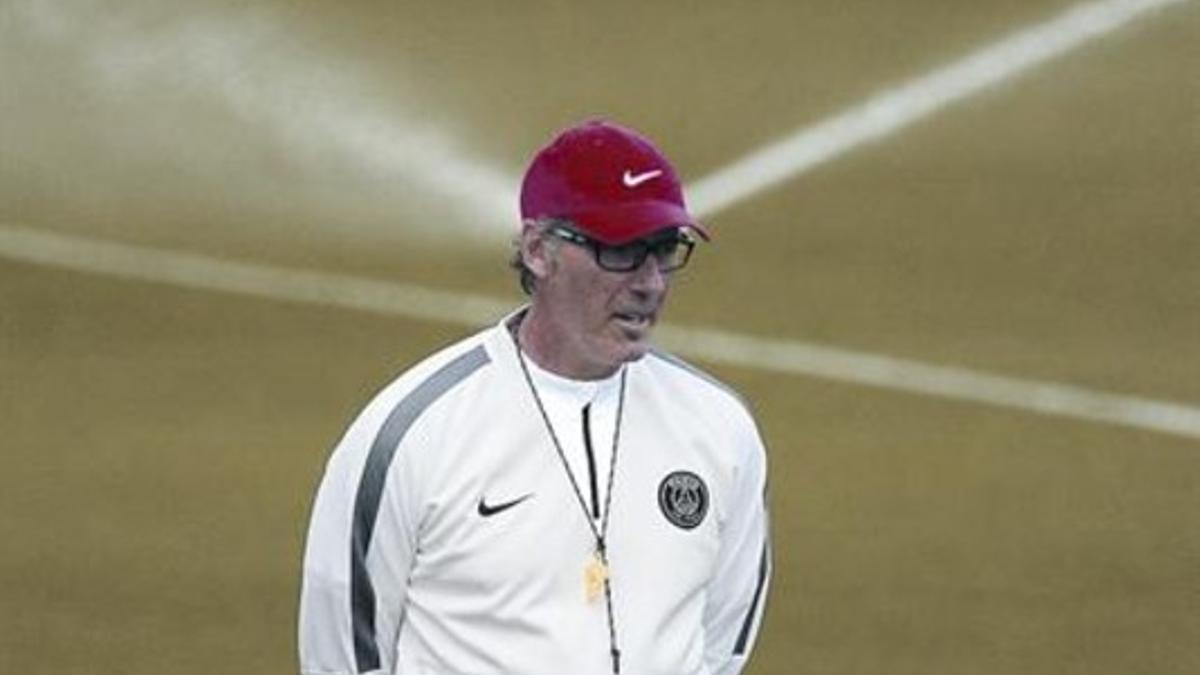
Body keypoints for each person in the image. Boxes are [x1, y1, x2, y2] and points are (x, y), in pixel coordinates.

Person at [298, 119, 771, 675]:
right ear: (539, 251)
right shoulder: (414, 431)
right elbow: (343, 657)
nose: (651, 283)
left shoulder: (719, 427)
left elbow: (721, 641)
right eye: (620, 251)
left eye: (665, 249)